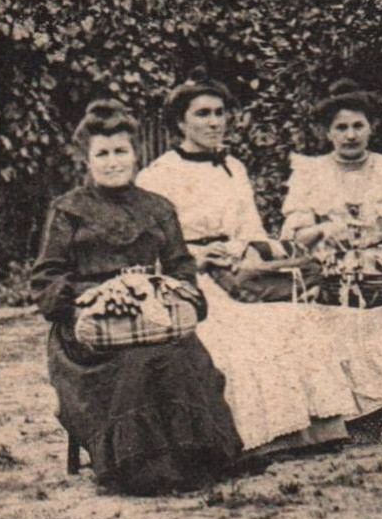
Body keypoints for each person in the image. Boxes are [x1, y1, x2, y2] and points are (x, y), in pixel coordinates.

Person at [135, 71, 356, 456]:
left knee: (295, 320)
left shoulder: (233, 167)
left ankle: (309, 431)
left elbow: (252, 229)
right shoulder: (158, 176)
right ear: (180, 122)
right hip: (191, 278)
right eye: (203, 114)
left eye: (220, 113)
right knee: (236, 337)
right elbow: (148, 247)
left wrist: (247, 253)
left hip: (238, 272)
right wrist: (199, 257)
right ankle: (256, 438)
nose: (214, 122)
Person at [30, 99, 242, 495]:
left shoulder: (157, 208)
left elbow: (182, 271)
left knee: (179, 354)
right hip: (90, 337)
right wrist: (92, 296)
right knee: (136, 361)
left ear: (135, 154)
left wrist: (163, 296)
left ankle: (193, 458)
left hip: (150, 319)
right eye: (103, 153)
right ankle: (138, 467)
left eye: (120, 151)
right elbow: (46, 281)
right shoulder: (68, 210)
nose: (113, 162)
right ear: (86, 160)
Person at [280, 79, 382, 420]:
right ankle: (337, 414)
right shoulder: (311, 172)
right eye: (340, 128)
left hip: (380, 268)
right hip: (327, 268)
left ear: (372, 128)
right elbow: (295, 235)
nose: (350, 135)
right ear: (328, 133)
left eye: (358, 125)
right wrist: (326, 230)